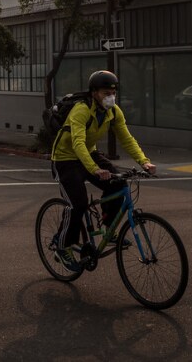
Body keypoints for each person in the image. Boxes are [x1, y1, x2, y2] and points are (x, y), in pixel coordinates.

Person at [50, 70, 156, 271]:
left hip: (89, 154)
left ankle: (108, 229)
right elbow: (78, 142)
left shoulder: (113, 111)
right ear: (94, 92)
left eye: (113, 92)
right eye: (106, 93)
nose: (110, 97)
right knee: (78, 204)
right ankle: (61, 246)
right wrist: (95, 169)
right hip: (65, 158)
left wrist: (144, 162)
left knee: (119, 183)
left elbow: (127, 138)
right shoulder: (81, 110)